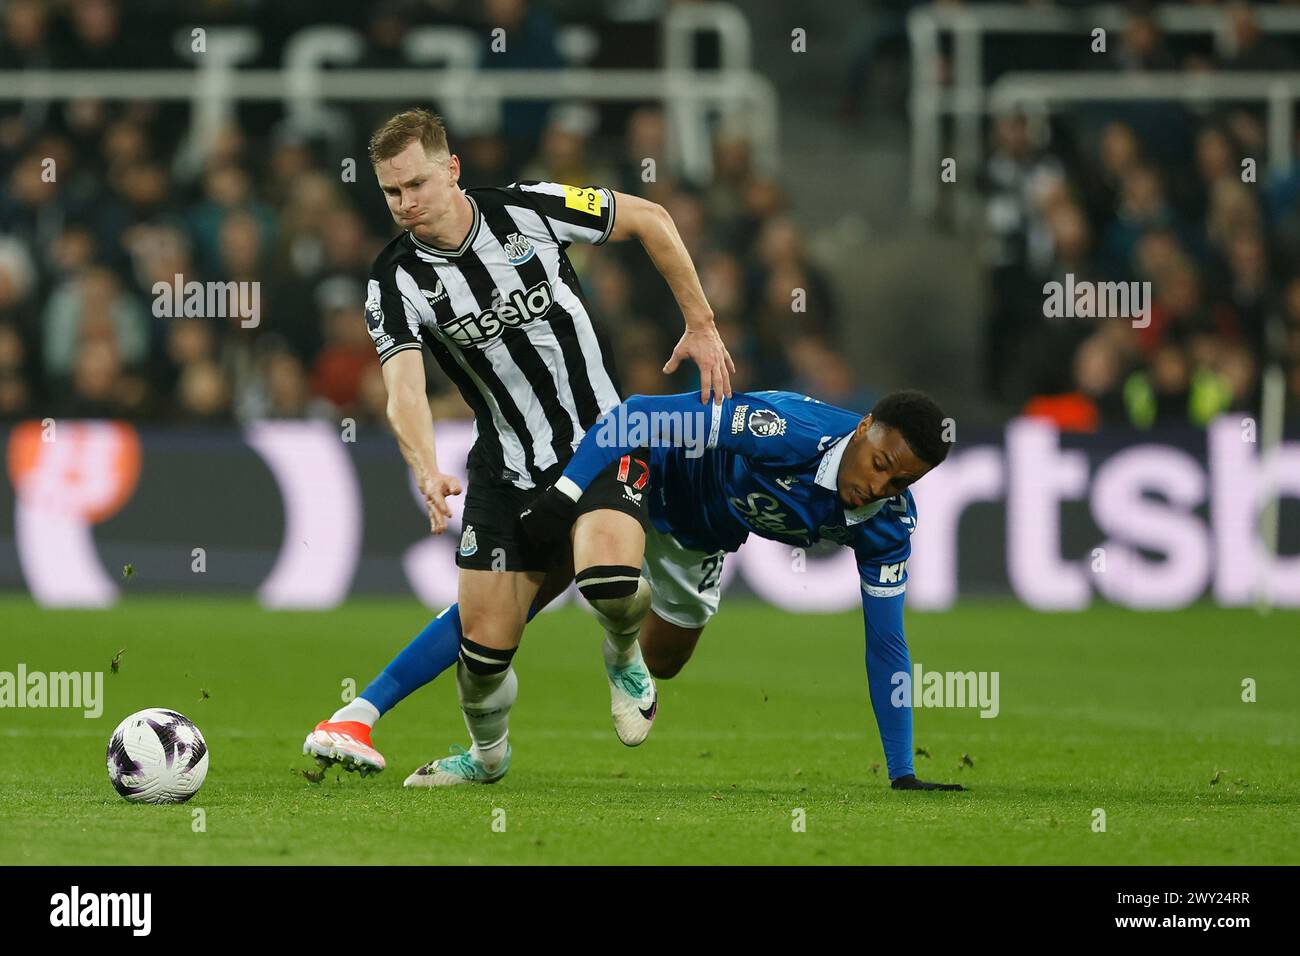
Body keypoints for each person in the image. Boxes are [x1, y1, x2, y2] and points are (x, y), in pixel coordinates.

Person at [303, 108, 733, 786]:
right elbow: (404, 392)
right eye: (391, 193)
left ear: (452, 169)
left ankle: (623, 654)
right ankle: (487, 758)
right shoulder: (395, 282)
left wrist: (701, 324)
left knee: (613, 585)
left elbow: (651, 217)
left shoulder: (528, 210)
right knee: (482, 660)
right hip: (505, 467)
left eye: (416, 185)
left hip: (601, 440)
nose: (405, 204)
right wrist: (424, 465)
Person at [517, 388, 965, 790]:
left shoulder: (888, 525)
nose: (878, 487)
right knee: (515, 604)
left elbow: (887, 643)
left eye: (900, 483)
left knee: (664, 661)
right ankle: (483, 737)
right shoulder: (787, 430)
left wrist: (902, 772)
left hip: (700, 537)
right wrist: (564, 494)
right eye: (880, 465)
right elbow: (635, 415)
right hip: (649, 472)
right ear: (865, 427)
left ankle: (620, 649)